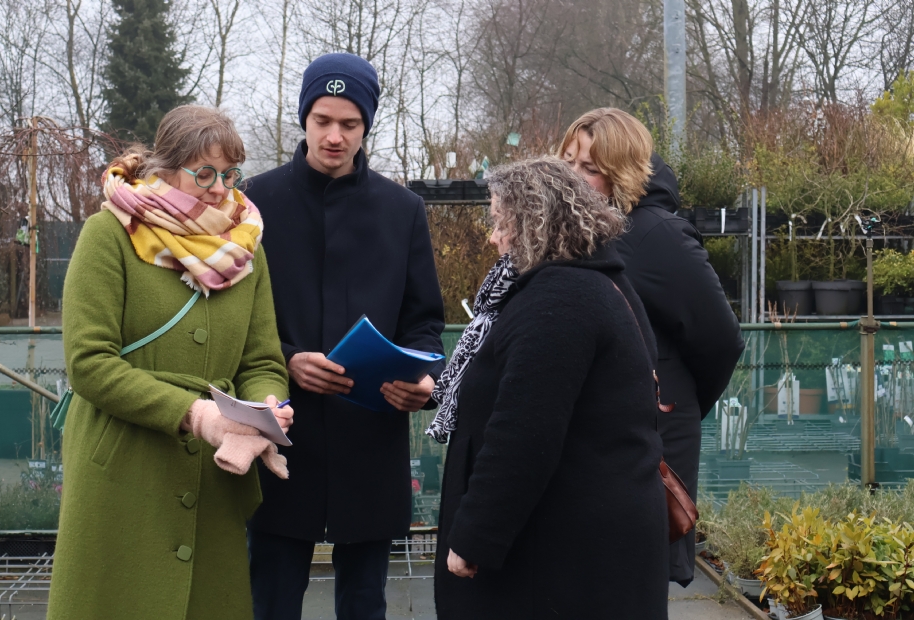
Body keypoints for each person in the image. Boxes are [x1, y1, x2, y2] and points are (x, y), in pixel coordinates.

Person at [48, 105, 294, 620]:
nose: (219, 188)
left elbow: (263, 358)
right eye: (204, 173)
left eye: (229, 174)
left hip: (212, 478)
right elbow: (89, 363)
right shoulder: (109, 233)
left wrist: (265, 406)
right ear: (165, 168)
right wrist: (197, 414)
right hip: (121, 472)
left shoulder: (247, 248)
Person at [244, 53, 446, 620]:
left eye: (350, 124)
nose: (334, 136)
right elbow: (234, 320)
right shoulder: (255, 204)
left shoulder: (402, 210)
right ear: (304, 119)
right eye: (322, 121)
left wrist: (423, 378)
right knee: (271, 600)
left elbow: (425, 319)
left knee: (364, 602)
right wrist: (288, 361)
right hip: (283, 435)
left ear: (367, 125)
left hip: (370, 438)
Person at [429, 157, 668, 619]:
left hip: (559, 556)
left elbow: (524, 432)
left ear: (534, 223)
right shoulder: (599, 284)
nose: (493, 237)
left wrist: (476, 536)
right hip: (590, 545)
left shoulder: (559, 301)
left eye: (500, 222)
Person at [559, 107, 744, 586]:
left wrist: (678, 404)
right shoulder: (579, 234)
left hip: (651, 435)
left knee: (633, 578)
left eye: (591, 169)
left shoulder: (652, 234)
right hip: (595, 430)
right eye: (569, 163)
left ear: (621, 173)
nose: (575, 179)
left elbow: (720, 338)